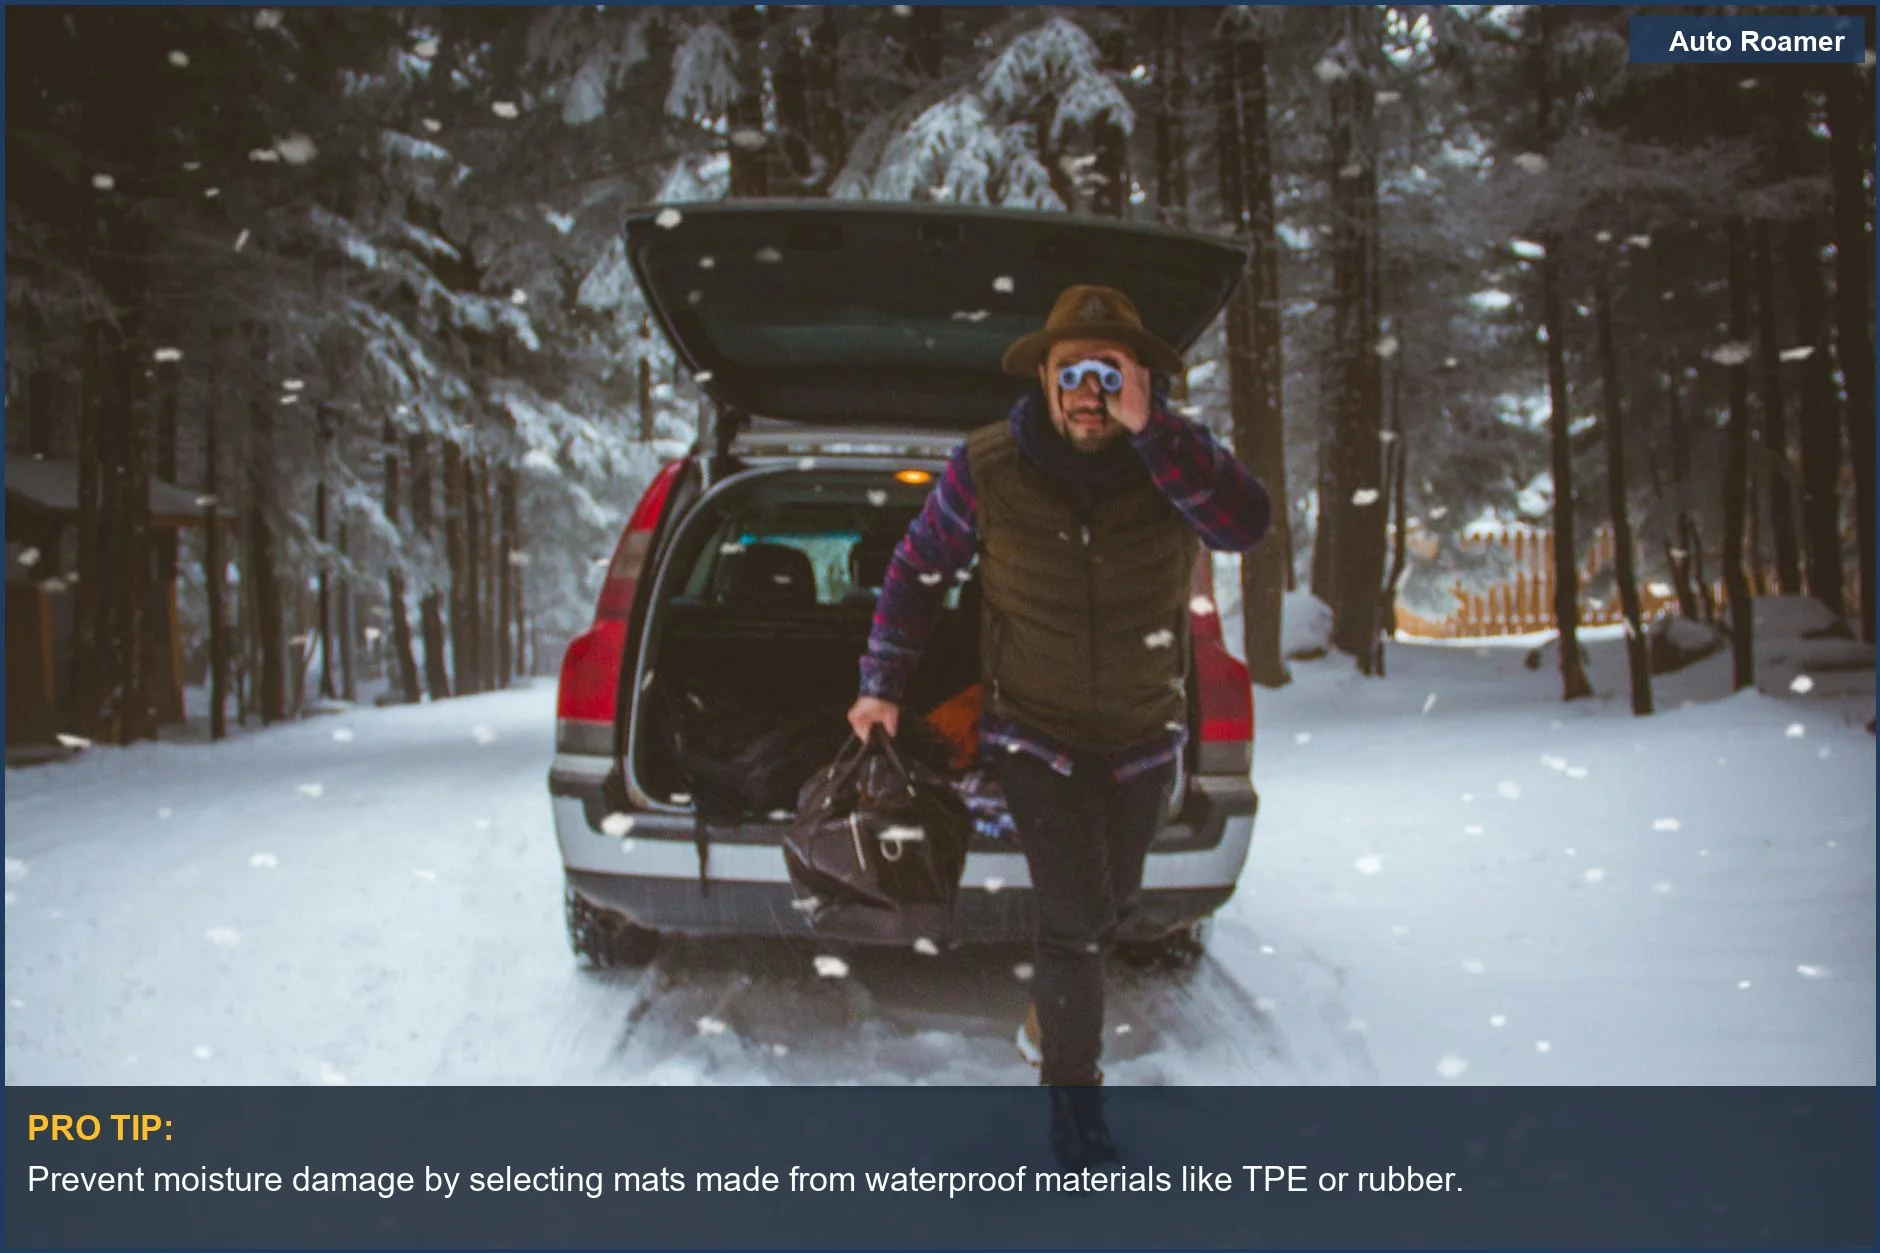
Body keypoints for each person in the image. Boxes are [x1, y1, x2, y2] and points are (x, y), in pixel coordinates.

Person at [846, 284, 1271, 1166]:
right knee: (1074, 914)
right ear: (1042, 377)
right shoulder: (989, 467)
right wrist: (882, 681)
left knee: (1112, 900)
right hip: (1032, 728)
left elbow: (1247, 523)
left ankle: (1054, 1011)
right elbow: (918, 568)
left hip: (1144, 728)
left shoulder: (1175, 461)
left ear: (1140, 381)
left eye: (1107, 373)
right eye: (1069, 372)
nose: (1088, 392)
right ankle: (1075, 1113)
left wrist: (1157, 431)